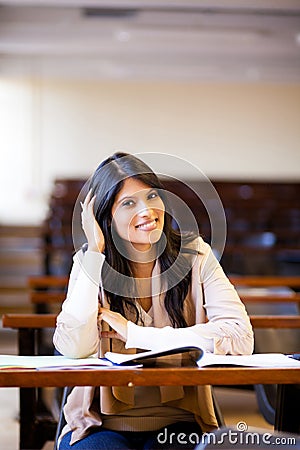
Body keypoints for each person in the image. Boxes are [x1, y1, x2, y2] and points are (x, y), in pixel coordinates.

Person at [53, 152, 254, 449]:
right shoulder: (89, 263)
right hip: (99, 427)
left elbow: (240, 336)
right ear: (104, 217)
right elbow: (74, 347)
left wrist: (136, 334)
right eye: (129, 203)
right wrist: (94, 252)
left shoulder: (196, 255)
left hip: (180, 425)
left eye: (151, 196)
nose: (147, 210)